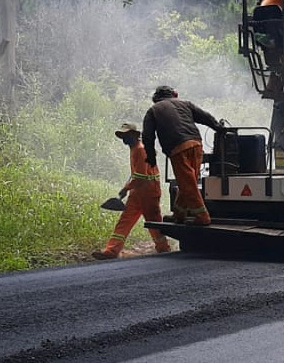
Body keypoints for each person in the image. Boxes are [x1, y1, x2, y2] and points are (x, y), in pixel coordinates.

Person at [142, 86, 225, 226]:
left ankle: (202, 216)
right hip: (196, 144)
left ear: (155, 99)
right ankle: (179, 214)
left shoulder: (153, 111)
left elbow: (147, 137)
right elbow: (206, 117)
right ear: (174, 95)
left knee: (188, 183)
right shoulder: (185, 104)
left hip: (178, 148)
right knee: (188, 182)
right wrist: (219, 128)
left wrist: (151, 157)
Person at [92, 123, 170, 260]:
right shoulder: (135, 148)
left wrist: (125, 188)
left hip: (149, 192)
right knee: (125, 221)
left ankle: (164, 249)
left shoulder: (140, 150)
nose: (124, 139)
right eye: (123, 136)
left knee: (154, 223)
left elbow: (141, 176)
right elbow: (137, 175)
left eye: (126, 135)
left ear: (134, 135)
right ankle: (111, 251)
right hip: (138, 192)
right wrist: (128, 188)